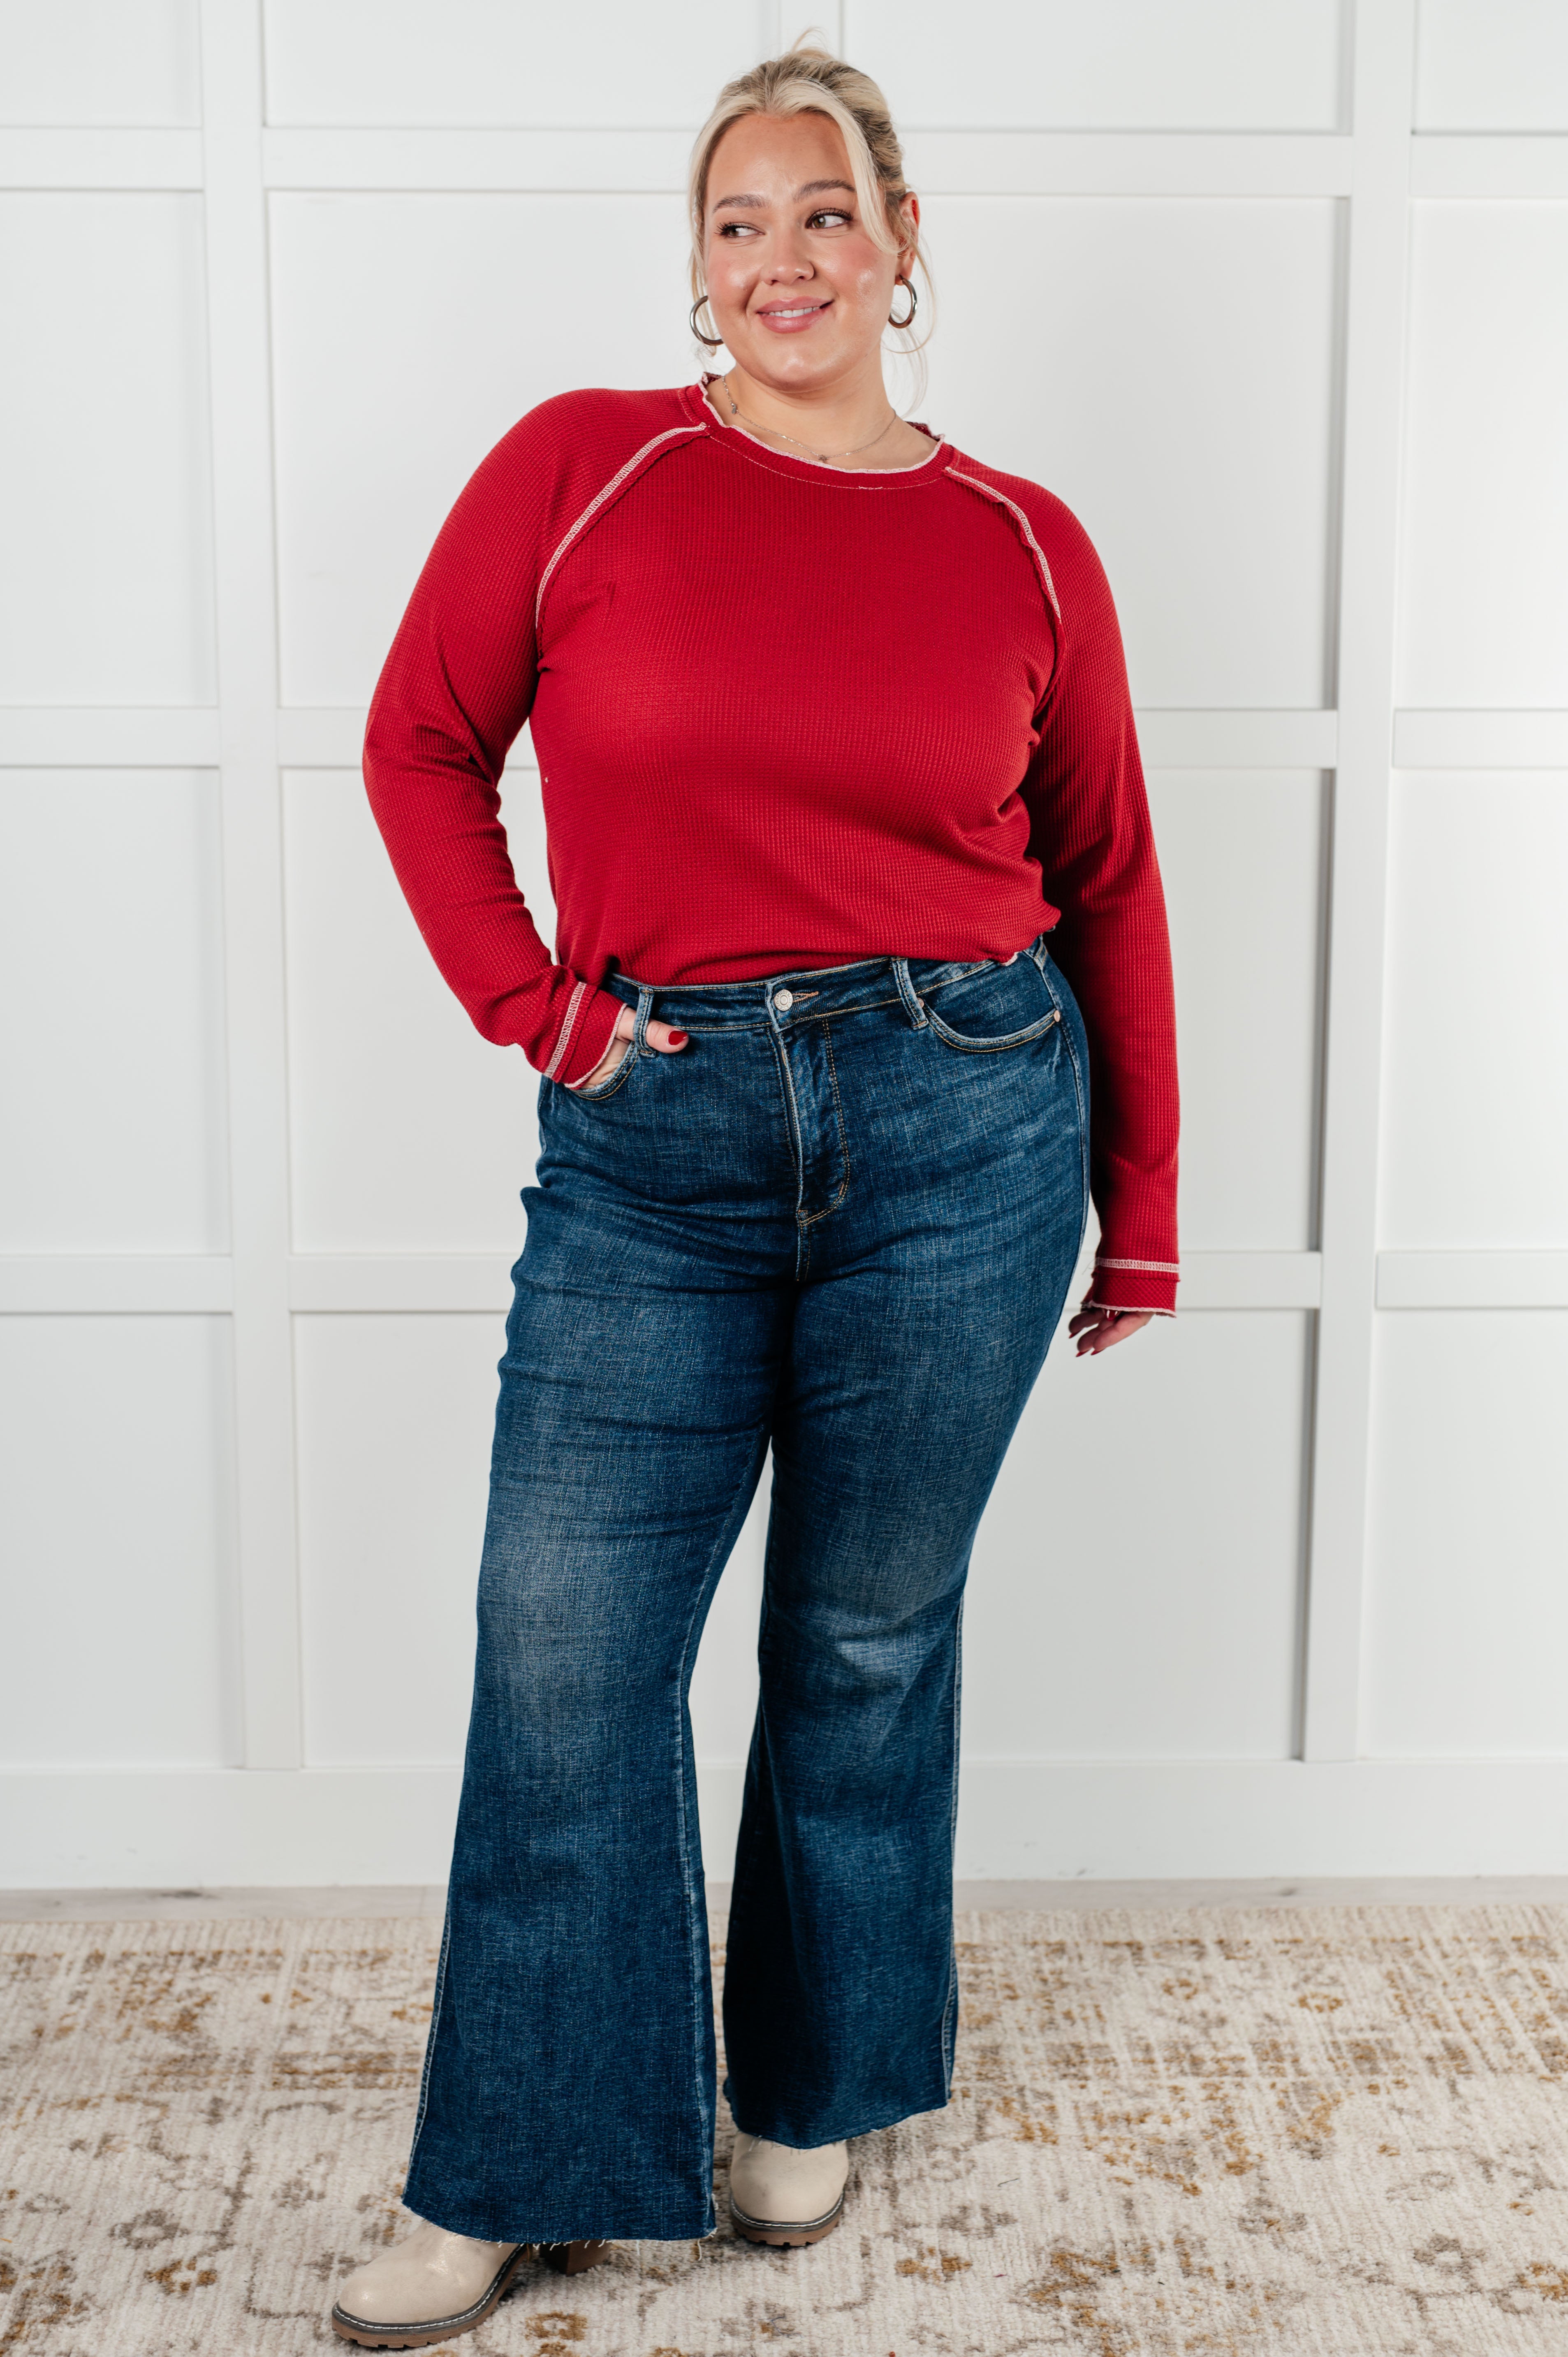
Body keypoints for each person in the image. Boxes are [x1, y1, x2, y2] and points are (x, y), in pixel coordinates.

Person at [327, 40, 1178, 2350]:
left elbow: (1101, 874)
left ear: (903, 241)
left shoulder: (1019, 539)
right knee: (565, 1648)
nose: (777, 256)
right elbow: (418, 739)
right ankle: (521, 2153)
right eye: (734, 219)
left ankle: (806, 2083)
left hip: (967, 1119)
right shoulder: (584, 469)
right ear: (692, 265)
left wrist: (1150, 1197)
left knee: (863, 1639)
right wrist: (539, 1006)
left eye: (822, 210)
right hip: (653, 1136)